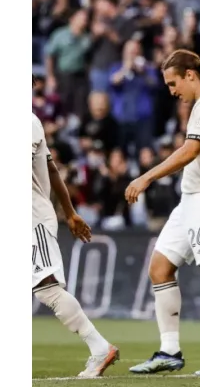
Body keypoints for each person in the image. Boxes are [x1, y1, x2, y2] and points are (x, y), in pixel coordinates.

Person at [125, 50, 200, 376]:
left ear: (190, 75)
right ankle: (169, 351)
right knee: (160, 268)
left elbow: (191, 150)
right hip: (191, 200)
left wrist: (147, 176)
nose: (171, 90)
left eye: (173, 82)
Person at [32, 108, 120, 378]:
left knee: (47, 288)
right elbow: (52, 169)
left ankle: (99, 347)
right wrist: (69, 213)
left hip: (31, 218)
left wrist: (69, 213)